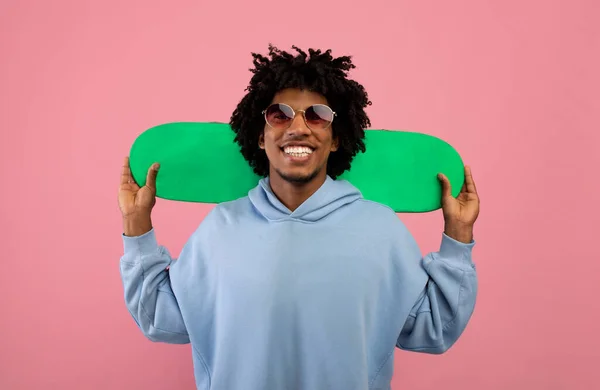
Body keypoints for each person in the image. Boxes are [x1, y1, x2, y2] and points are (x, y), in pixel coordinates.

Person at [118, 45, 480, 390]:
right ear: (261, 136)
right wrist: (137, 226)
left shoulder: (381, 230)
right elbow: (161, 320)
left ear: (336, 139)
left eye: (318, 116)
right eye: (280, 114)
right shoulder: (220, 229)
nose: (299, 128)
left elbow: (433, 329)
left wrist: (458, 235)